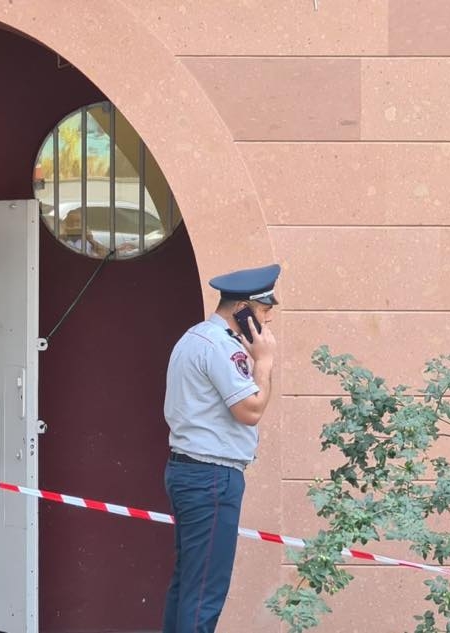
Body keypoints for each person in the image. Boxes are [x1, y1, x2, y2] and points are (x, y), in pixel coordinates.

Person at [161, 263, 280, 633]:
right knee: (204, 593)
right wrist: (264, 361)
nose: (268, 319)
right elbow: (251, 410)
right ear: (243, 310)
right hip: (211, 477)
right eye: (264, 310)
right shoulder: (221, 347)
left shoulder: (196, 337)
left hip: (191, 472)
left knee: (188, 584)